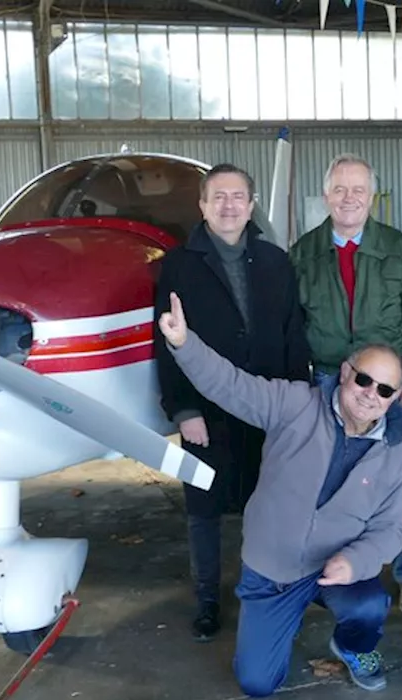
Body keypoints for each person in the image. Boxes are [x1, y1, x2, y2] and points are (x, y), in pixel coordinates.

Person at [157, 291, 402, 697]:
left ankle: (352, 646)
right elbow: (232, 386)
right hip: (271, 570)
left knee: (368, 605)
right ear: (345, 373)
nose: (370, 394)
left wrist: (355, 560)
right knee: (258, 682)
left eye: (384, 390)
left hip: (333, 569)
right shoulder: (294, 403)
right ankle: (276, 621)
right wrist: (185, 345)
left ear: (394, 398)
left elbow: (392, 529)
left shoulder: (395, 457)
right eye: (364, 379)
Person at [153, 163, 311, 642]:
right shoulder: (178, 265)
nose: (228, 205)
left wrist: (296, 404)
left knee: (265, 503)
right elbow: (164, 341)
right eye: (217, 197)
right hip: (208, 410)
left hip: (268, 407)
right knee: (204, 507)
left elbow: (293, 335)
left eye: (237, 196)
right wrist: (184, 409)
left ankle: (260, 588)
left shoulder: (274, 261)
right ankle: (206, 599)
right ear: (202, 206)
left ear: (251, 203)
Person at [289, 152, 402, 614]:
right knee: (326, 477)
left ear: (371, 196)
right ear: (325, 195)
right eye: (339, 189)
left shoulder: (396, 248)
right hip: (328, 379)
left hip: (387, 385)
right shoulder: (304, 253)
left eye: (358, 190)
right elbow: (290, 322)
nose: (348, 198)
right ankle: (324, 573)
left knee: (396, 480)